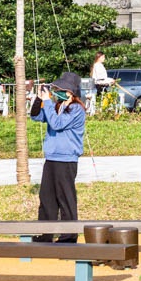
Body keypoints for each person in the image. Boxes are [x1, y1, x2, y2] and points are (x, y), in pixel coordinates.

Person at [30, 71, 87, 243]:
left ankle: (69, 236)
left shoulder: (77, 109)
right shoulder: (56, 106)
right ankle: (44, 234)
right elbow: (35, 116)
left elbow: (57, 123)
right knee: (46, 197)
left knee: (66, 198)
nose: (58, 91)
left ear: (72, 92)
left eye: (62, 89)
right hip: (52, 157)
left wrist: (47, 101)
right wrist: (40, 99)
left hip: (67, 159)